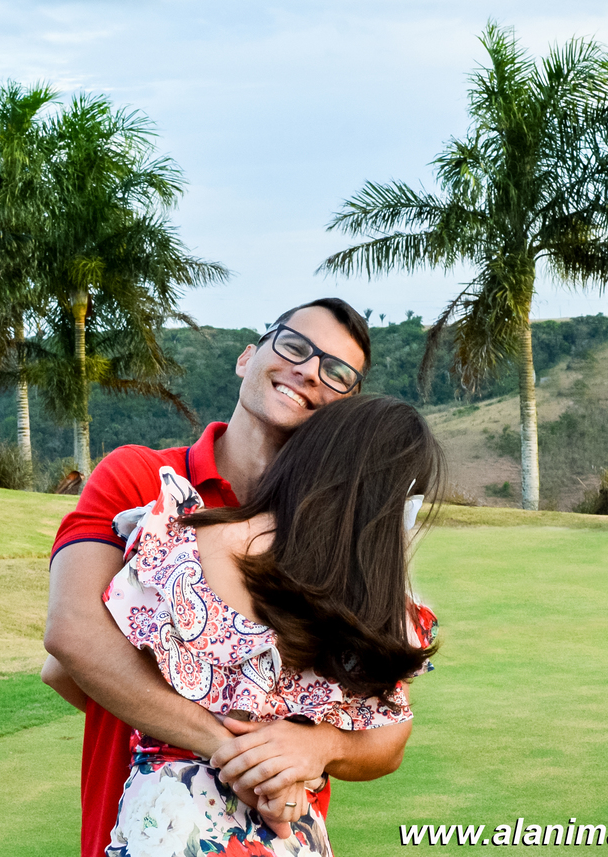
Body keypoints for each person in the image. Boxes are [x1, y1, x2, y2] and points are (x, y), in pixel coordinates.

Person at [43, 300, 413, 856]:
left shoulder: (339, 537)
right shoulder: (140, 477)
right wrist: (229, 749)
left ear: (345, 413)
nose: (309, 371)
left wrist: (319, 748)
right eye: (294, 346)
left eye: (337, 374)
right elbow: (71, 641)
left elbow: (388, 733)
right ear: (247, 356)